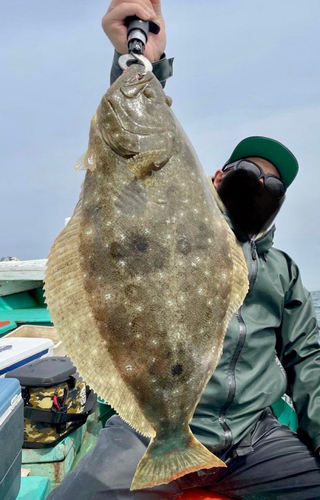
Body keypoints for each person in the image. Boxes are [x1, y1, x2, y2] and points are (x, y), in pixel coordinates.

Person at [48, 1, 320, 499]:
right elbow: (134, 131)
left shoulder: (283, 273)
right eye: (248, 171)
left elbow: (309, 361)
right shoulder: (174, 205)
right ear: (216, 175)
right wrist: (142, 57)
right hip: (148, 431)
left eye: (273, 184)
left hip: (253, 439)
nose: (260, 184)